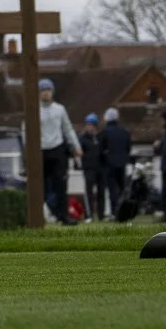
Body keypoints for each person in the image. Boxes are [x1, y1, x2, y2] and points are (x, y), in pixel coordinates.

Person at [37, 78, 82, 224]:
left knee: (61, 184)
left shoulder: (59, 109)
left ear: (52, 92)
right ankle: (38, 215)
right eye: (43, 91)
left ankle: (63, 215)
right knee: (39, 185)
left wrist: (75, 146)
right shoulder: (34, 110)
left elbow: (67, 128)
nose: (46, 93)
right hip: (41, 150)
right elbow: (27, 130)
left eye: (48, 90)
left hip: (57, 149)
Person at [101, 107, 132, 216]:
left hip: (109, 164)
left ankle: (115, 211)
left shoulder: (105, 132)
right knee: (122, 188)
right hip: (122, 163)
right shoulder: (124, 131)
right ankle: (123, 211)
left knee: (112, 189)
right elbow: (128, 148)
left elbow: (101, 149)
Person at [79, 113, 106, 220]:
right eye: (88, 124)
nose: (90, 127)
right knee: (89, 192)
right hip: (89, 168)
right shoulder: (82, 138)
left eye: (92, 125)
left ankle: (101, 215)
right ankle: (88, 215)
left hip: (100, 168)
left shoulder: (100, 137)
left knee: (101, 192)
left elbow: (103, 151)